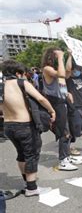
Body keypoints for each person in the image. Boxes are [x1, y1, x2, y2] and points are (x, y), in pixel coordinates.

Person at [1, 60, 56, 197]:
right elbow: (41, 99)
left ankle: (27, 181)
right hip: (24, 125)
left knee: (21, 153)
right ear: (18, 73)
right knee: (31, 154)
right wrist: (52, 111)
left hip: (8, 125)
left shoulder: (0, 86)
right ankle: (32, 188)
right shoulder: (21, 83)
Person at [42, 47, 81, 170]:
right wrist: (60, 57)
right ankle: (63, 161)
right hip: (57, 104)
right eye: (57, 55)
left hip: (64, 102)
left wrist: (69, 56)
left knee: (70, 130)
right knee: (64, 132)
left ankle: (67, 156)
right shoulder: (47, 69)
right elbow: (62, 74)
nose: (60, 57)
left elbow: (67, 72)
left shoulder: (57, 69)